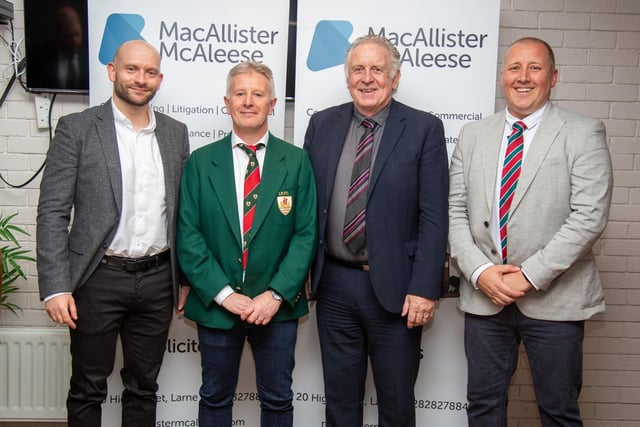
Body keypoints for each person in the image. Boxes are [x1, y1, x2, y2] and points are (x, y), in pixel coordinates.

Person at [448, 37, 613, 426]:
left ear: (553, 77)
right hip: (484, 296)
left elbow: (589, 216)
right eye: (514, 68)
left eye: (534, 68)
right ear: (502, 77)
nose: (523, 77)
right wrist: (479, 271)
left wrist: (528, 275)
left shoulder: (584, 132)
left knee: (558, 411)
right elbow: (454, 212)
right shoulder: (473, 135)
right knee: (484, 408)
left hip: (555, 298)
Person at [36, 40, 190, 426]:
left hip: (157, 281)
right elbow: (53, 210)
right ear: (112, 71)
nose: (141, 79)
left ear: (160, 78)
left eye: (149, 72)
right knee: (88, 387)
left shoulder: (175, 133)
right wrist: (56, 286)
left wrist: (183, 279)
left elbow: (183, 215)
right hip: (96, 278)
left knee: (144, 386)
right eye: (132, 69)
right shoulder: (77, 129)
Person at [303, 34, 449, 427]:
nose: (367, 78)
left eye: (377, 69)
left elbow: (435, 217)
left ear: (395, 77)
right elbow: (306, 207)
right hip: (333, 285)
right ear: (347, 77)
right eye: (357, 70)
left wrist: (424, 288)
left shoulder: (424, 129)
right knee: (340, 403)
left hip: (399, 290)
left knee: (396, 404)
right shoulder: (322, 124)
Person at [176, 61, 317, 427]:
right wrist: (224, 294)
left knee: (277, 401)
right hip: (219, 308)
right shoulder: (201, 162)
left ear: (272, 103)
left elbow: (306, 235)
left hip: (276, 309)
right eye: (240, 93)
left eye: (258, 94)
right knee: (215, 398)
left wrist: (274, 295)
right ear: (227, 102)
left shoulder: (297, 161)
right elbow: (189, 235)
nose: (248, 101)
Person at [27, 1, 89, 91]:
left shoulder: (90, 55)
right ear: (57, 35)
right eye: (68, 36)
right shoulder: (39, 57)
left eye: (77, 34)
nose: (74, 41)